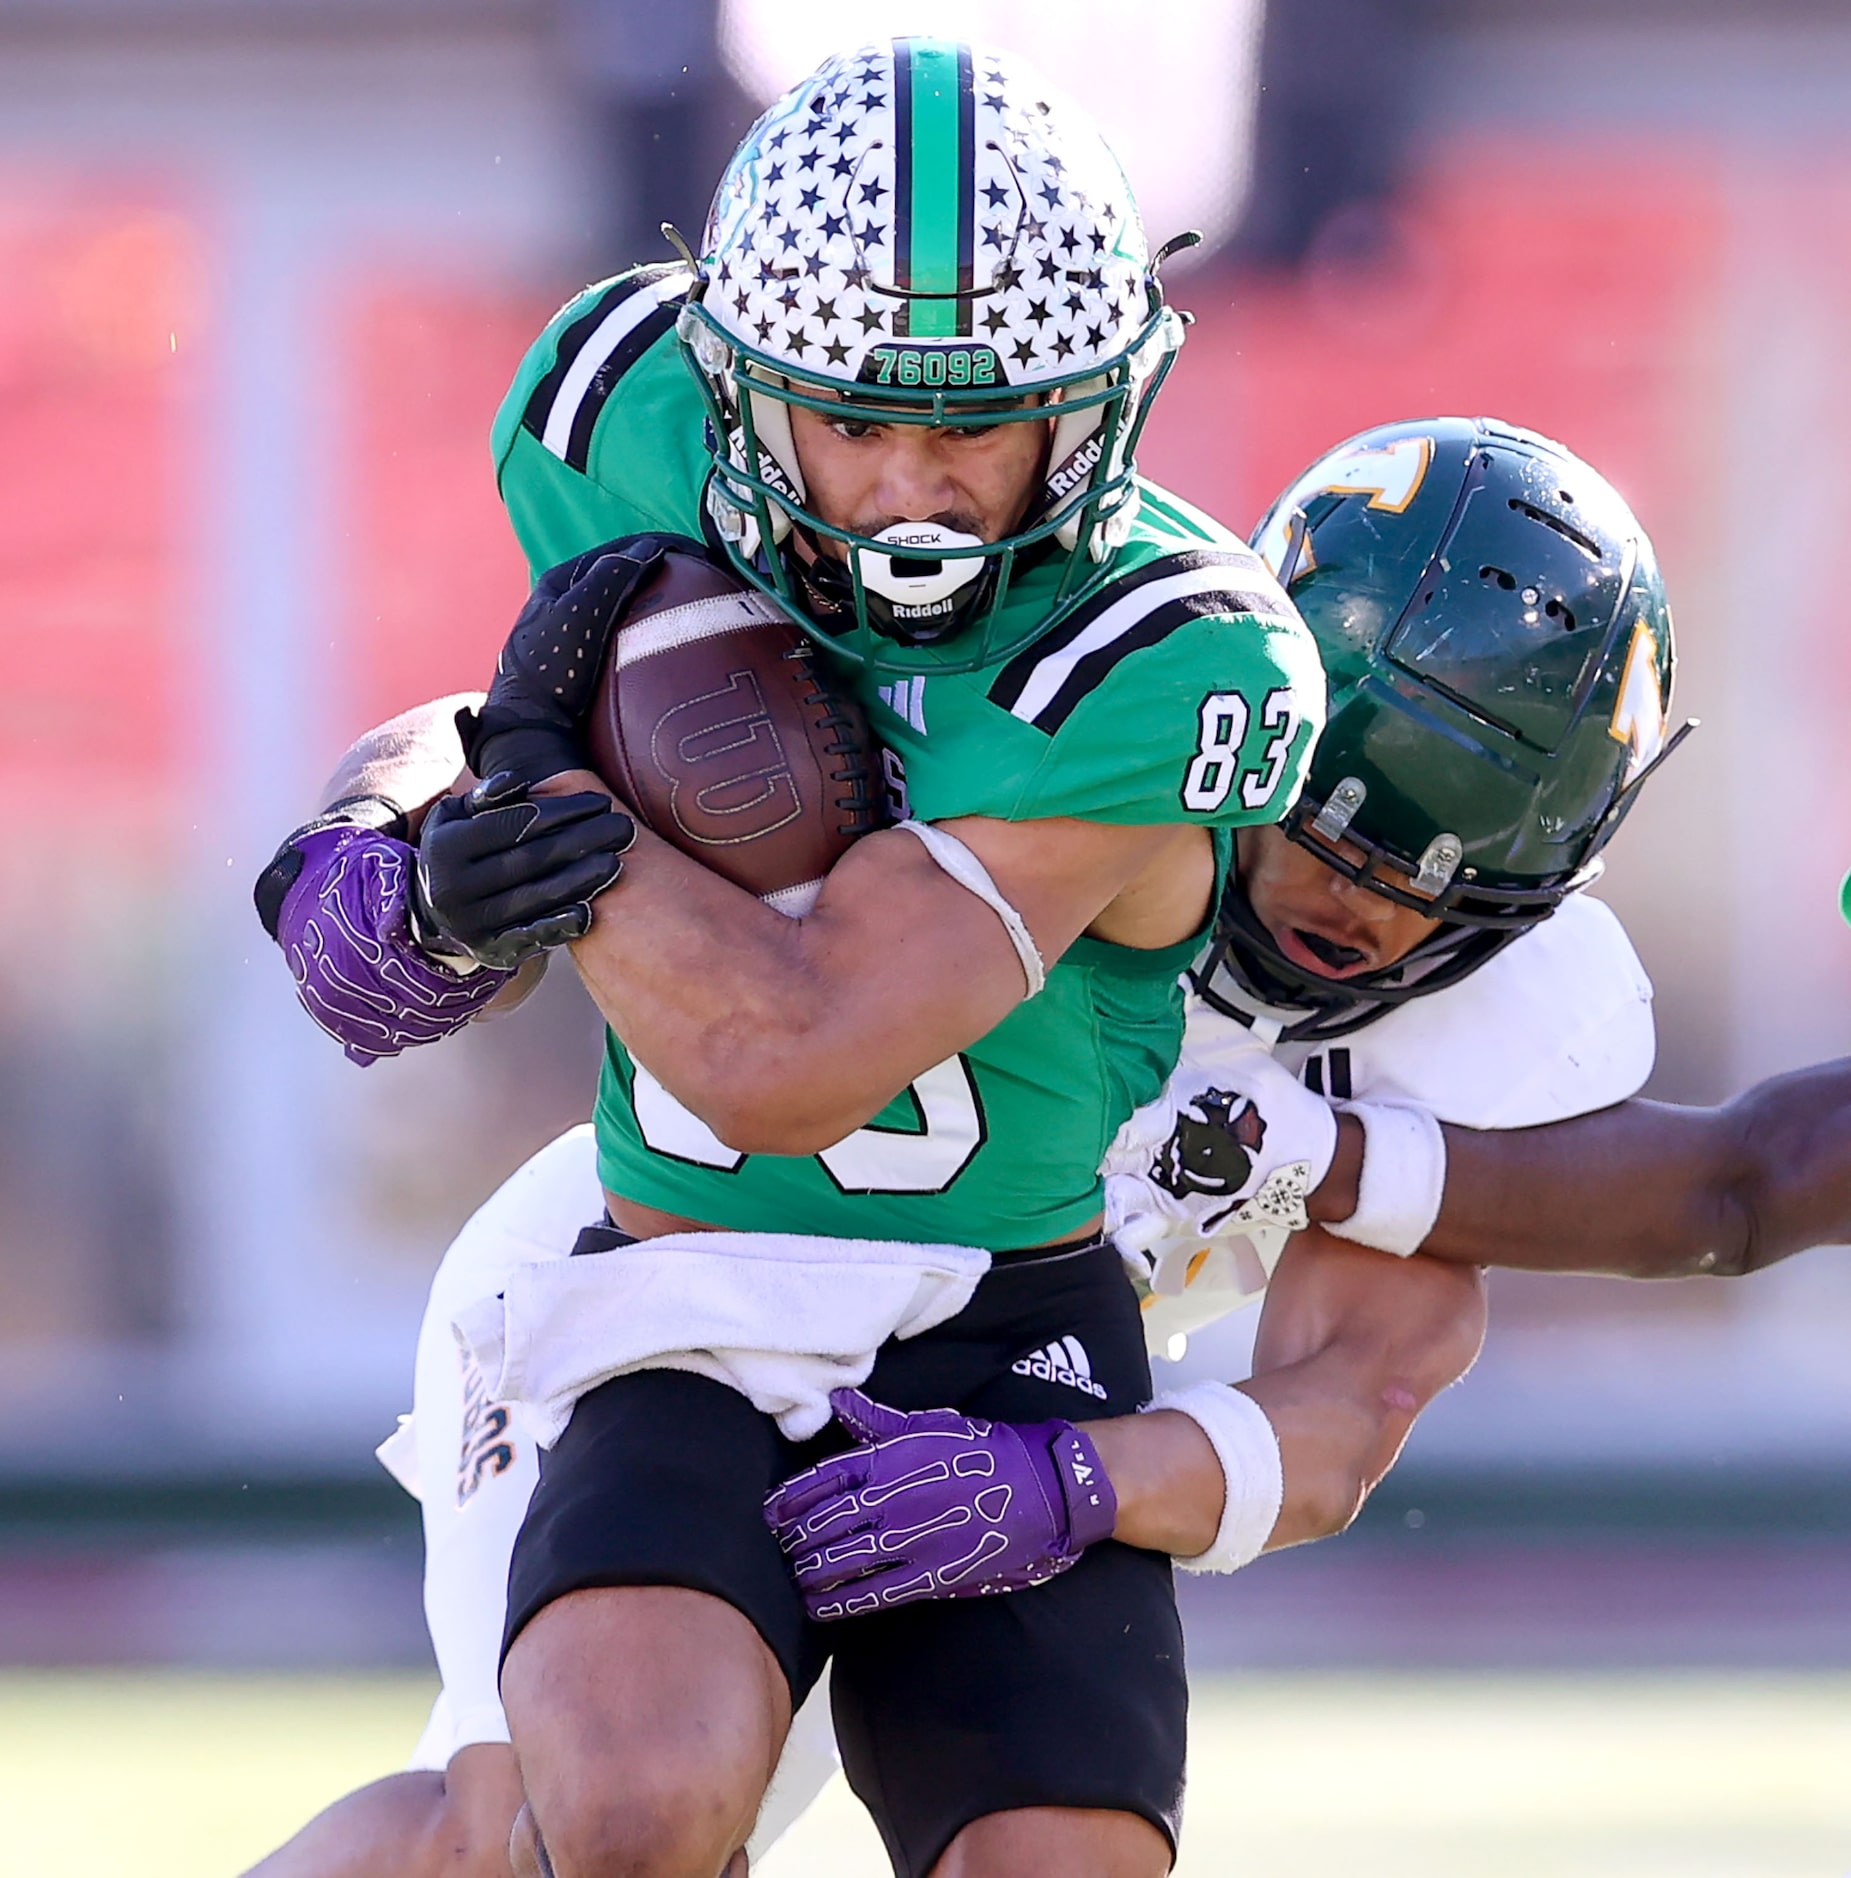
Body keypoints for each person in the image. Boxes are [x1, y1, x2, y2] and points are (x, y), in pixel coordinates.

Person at [249, 408, 1851, 1877]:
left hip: (1002, 1380)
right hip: (675, 1278)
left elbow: (1349, 1411)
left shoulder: (1476, 1029)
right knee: (525, 1831)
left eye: (1434, 877)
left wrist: (1073, 1475)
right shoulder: (1107, 696)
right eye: (1321, 828)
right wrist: (378, 839)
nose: (1350, 905)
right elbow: (585, 691)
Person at [259, 38, 1329, 1878]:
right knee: (602, 1808)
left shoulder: (1169, 654)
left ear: (1093, 411)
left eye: (977, 424)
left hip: (1005, 1328)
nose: (912, 488)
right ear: (738, 392)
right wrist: (381, 846)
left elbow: (797, 1038)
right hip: (663, 1282)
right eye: (852, 418)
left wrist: (524, 797)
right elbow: (524, 707)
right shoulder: (626, 417)